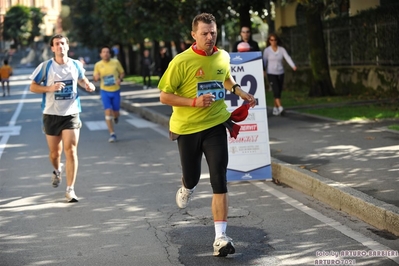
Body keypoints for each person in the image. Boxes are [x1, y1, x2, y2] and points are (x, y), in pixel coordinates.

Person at [158, 13, 256, 257]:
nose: (210, 37)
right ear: (193, 35)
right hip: (188, 129)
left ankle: (220, 238)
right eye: (204, 33)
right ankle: (187, 186)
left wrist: (239, 91)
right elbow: (164, 96)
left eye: (213, 32)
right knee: (192, 177)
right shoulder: (181, 62)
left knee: (219, 178)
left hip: (215, 124)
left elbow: (224, 77)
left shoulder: (223, 55)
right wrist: (194, 102)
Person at [29, 34, 96, 202]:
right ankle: (57, 169)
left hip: (71, 113)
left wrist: (88, 85)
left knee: (71, 151)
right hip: (51, 114)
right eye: (57, 44)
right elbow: (33, 87)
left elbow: (81, 79)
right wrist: (50, 88)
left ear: (67, 46)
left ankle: (70, 190)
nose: (60, 46)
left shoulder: (76, 65)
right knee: (54, 153)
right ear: (52, 48)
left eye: (63, 43)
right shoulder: (45, 67)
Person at [93, 46, 125, 142]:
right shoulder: (98, 65)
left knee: (116, 112)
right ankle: (112, 134)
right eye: (104, 52)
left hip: (115, 90)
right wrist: (96, 77)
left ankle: (116, 117)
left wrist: (120, 79)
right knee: (107, 111)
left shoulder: (115, 62)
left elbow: (122, 72)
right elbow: (95, 78)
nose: (106, 54)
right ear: (101, 54)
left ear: (110, 54)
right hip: (104, 91)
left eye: (107, 52)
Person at [263, 33, 297, 116]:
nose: (273, 42)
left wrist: (293, 66)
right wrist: (263, 70)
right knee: (276, 90)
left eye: (275, 40)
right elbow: (264, 61)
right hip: (271, 73)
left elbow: (287, 57)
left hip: (280, 72)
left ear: (277, 41)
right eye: (271, 40)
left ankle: (275, 108)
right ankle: (281, 108)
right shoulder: (267, 50)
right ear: (269, 41)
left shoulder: (281, 49)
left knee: (279, 91)